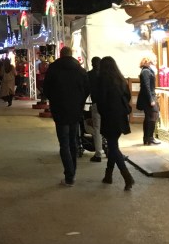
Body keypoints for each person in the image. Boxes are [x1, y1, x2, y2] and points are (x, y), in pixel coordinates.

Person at [42, 47, 90, 186]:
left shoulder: (54, 68)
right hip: (75, 110)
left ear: (61, 55)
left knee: (64, 143)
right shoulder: (80, 70)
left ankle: (69, 175)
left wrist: (55, 100)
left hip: (60, 109)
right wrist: (80, 101)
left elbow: (47, 89)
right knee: (72, 141)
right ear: (71, 55)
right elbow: (87, 88)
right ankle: (72, 171)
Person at [92, 57, 135, 190]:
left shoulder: (103, 80)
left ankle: (127, 176)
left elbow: (100, 99)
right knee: (112, 145)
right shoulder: (121, 79)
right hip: (120, 117)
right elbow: (127, 96)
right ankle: (108, 175)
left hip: (109, 117)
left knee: (113, 147)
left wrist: (102, 111)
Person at [136, 57, 160, 145]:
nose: (156, 61)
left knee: (149, 117)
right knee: (152, 116)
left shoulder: (148, 70)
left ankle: (147, 138)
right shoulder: (146, 71)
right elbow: (146, 86)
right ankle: (149, 137)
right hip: (147, 98)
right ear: (148, 61)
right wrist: (151, 99)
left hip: (149, 96)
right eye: (154, 60)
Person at [85, 57, 104, 163]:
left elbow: (86, 90)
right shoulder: (105, 74)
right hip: (106, 105)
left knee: (97, 129)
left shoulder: (89, 75)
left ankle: (98, 153)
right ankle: (110, 150)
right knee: (106, 128)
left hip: (96, 103)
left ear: (92, 64)